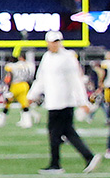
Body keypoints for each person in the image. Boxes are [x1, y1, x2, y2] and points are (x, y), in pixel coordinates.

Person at [28, 31, 102, 174]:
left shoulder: (68, 57)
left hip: (65, 102)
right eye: (52, 41)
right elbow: (41, 79)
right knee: (66, 132)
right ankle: (86, 157)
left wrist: (82, 101)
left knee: (56, 133)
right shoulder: (46, 57)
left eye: (57, 41)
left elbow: (76, 81)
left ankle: (57, 164)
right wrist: (32, 95)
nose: (55, 44)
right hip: (53, 102)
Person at [0, 48, 37, 128]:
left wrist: (8, 88)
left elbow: (10, 76)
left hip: (15, 85)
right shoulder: (29, 65)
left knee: (7, 103)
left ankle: (1, 120)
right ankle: (27, 122)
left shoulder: (12, 66)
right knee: (24, 104)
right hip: (25, 85)